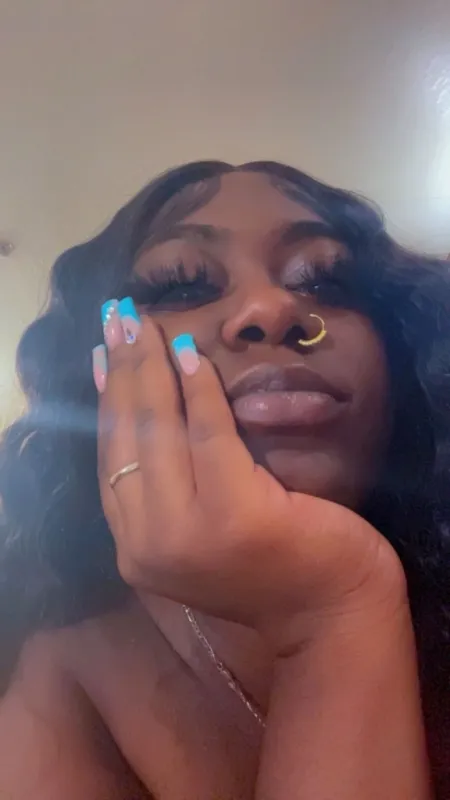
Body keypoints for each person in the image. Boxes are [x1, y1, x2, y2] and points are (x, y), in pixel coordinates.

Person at [0, 160, 448, 799]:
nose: (273, 309)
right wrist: (333, 611)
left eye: (327, 280)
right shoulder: (59, 675)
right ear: (96, 378)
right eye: (182, 285)